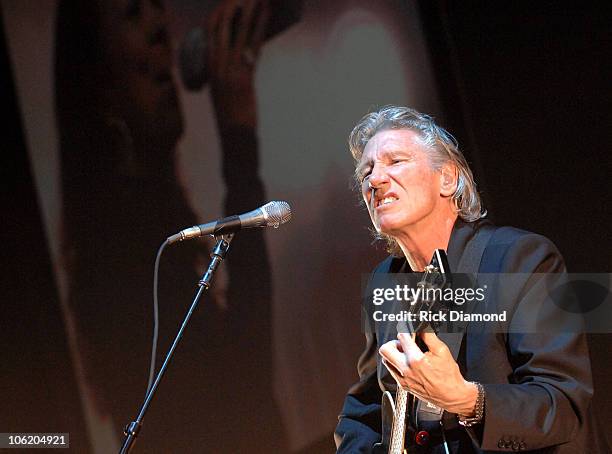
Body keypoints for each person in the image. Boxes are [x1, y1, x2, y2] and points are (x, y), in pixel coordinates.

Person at [55, 0, 285, 451]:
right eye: (133, 14)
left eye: (157, 7)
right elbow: (244, 384)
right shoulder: (117, 255)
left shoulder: (153, 217)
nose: (161, 27)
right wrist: (238, 137)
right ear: (96, 79)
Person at [335, 106, 608, 453]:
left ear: (447, 179)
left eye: (396, 161)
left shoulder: (520, 258)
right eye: (366, 172)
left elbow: (562, 404)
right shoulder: (384, 282)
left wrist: (467, 400)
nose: (374, 180)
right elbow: (366, 411)